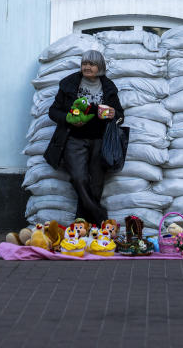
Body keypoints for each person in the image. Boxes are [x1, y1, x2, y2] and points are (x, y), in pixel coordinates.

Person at [43, 50, 124, 224]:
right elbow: (53, 111)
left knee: (96, 184)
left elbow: (120, 115)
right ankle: (100, 216)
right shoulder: (69, 84)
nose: (87, 67)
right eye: (84, 63)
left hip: (100, 141)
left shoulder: (108, 87)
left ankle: (82, 224)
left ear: (100, 67)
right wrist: (68, 119)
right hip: (73, 139)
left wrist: (113, 114)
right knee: (79, 178)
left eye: (92, 64)